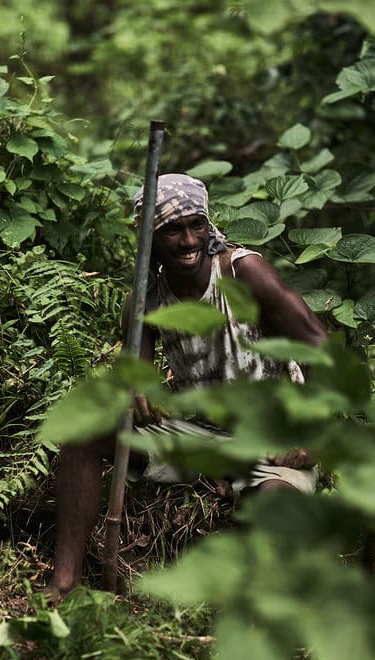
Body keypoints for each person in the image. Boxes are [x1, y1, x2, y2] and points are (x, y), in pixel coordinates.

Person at [45, 173, 328, 596]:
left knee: (272, 505)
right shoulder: (149, 297)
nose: (188, 240)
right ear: (151, 238)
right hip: (203, 436)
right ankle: (64, 583)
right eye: (172, 230)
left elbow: (320, 346)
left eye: (196, 225)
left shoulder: (243, 272)